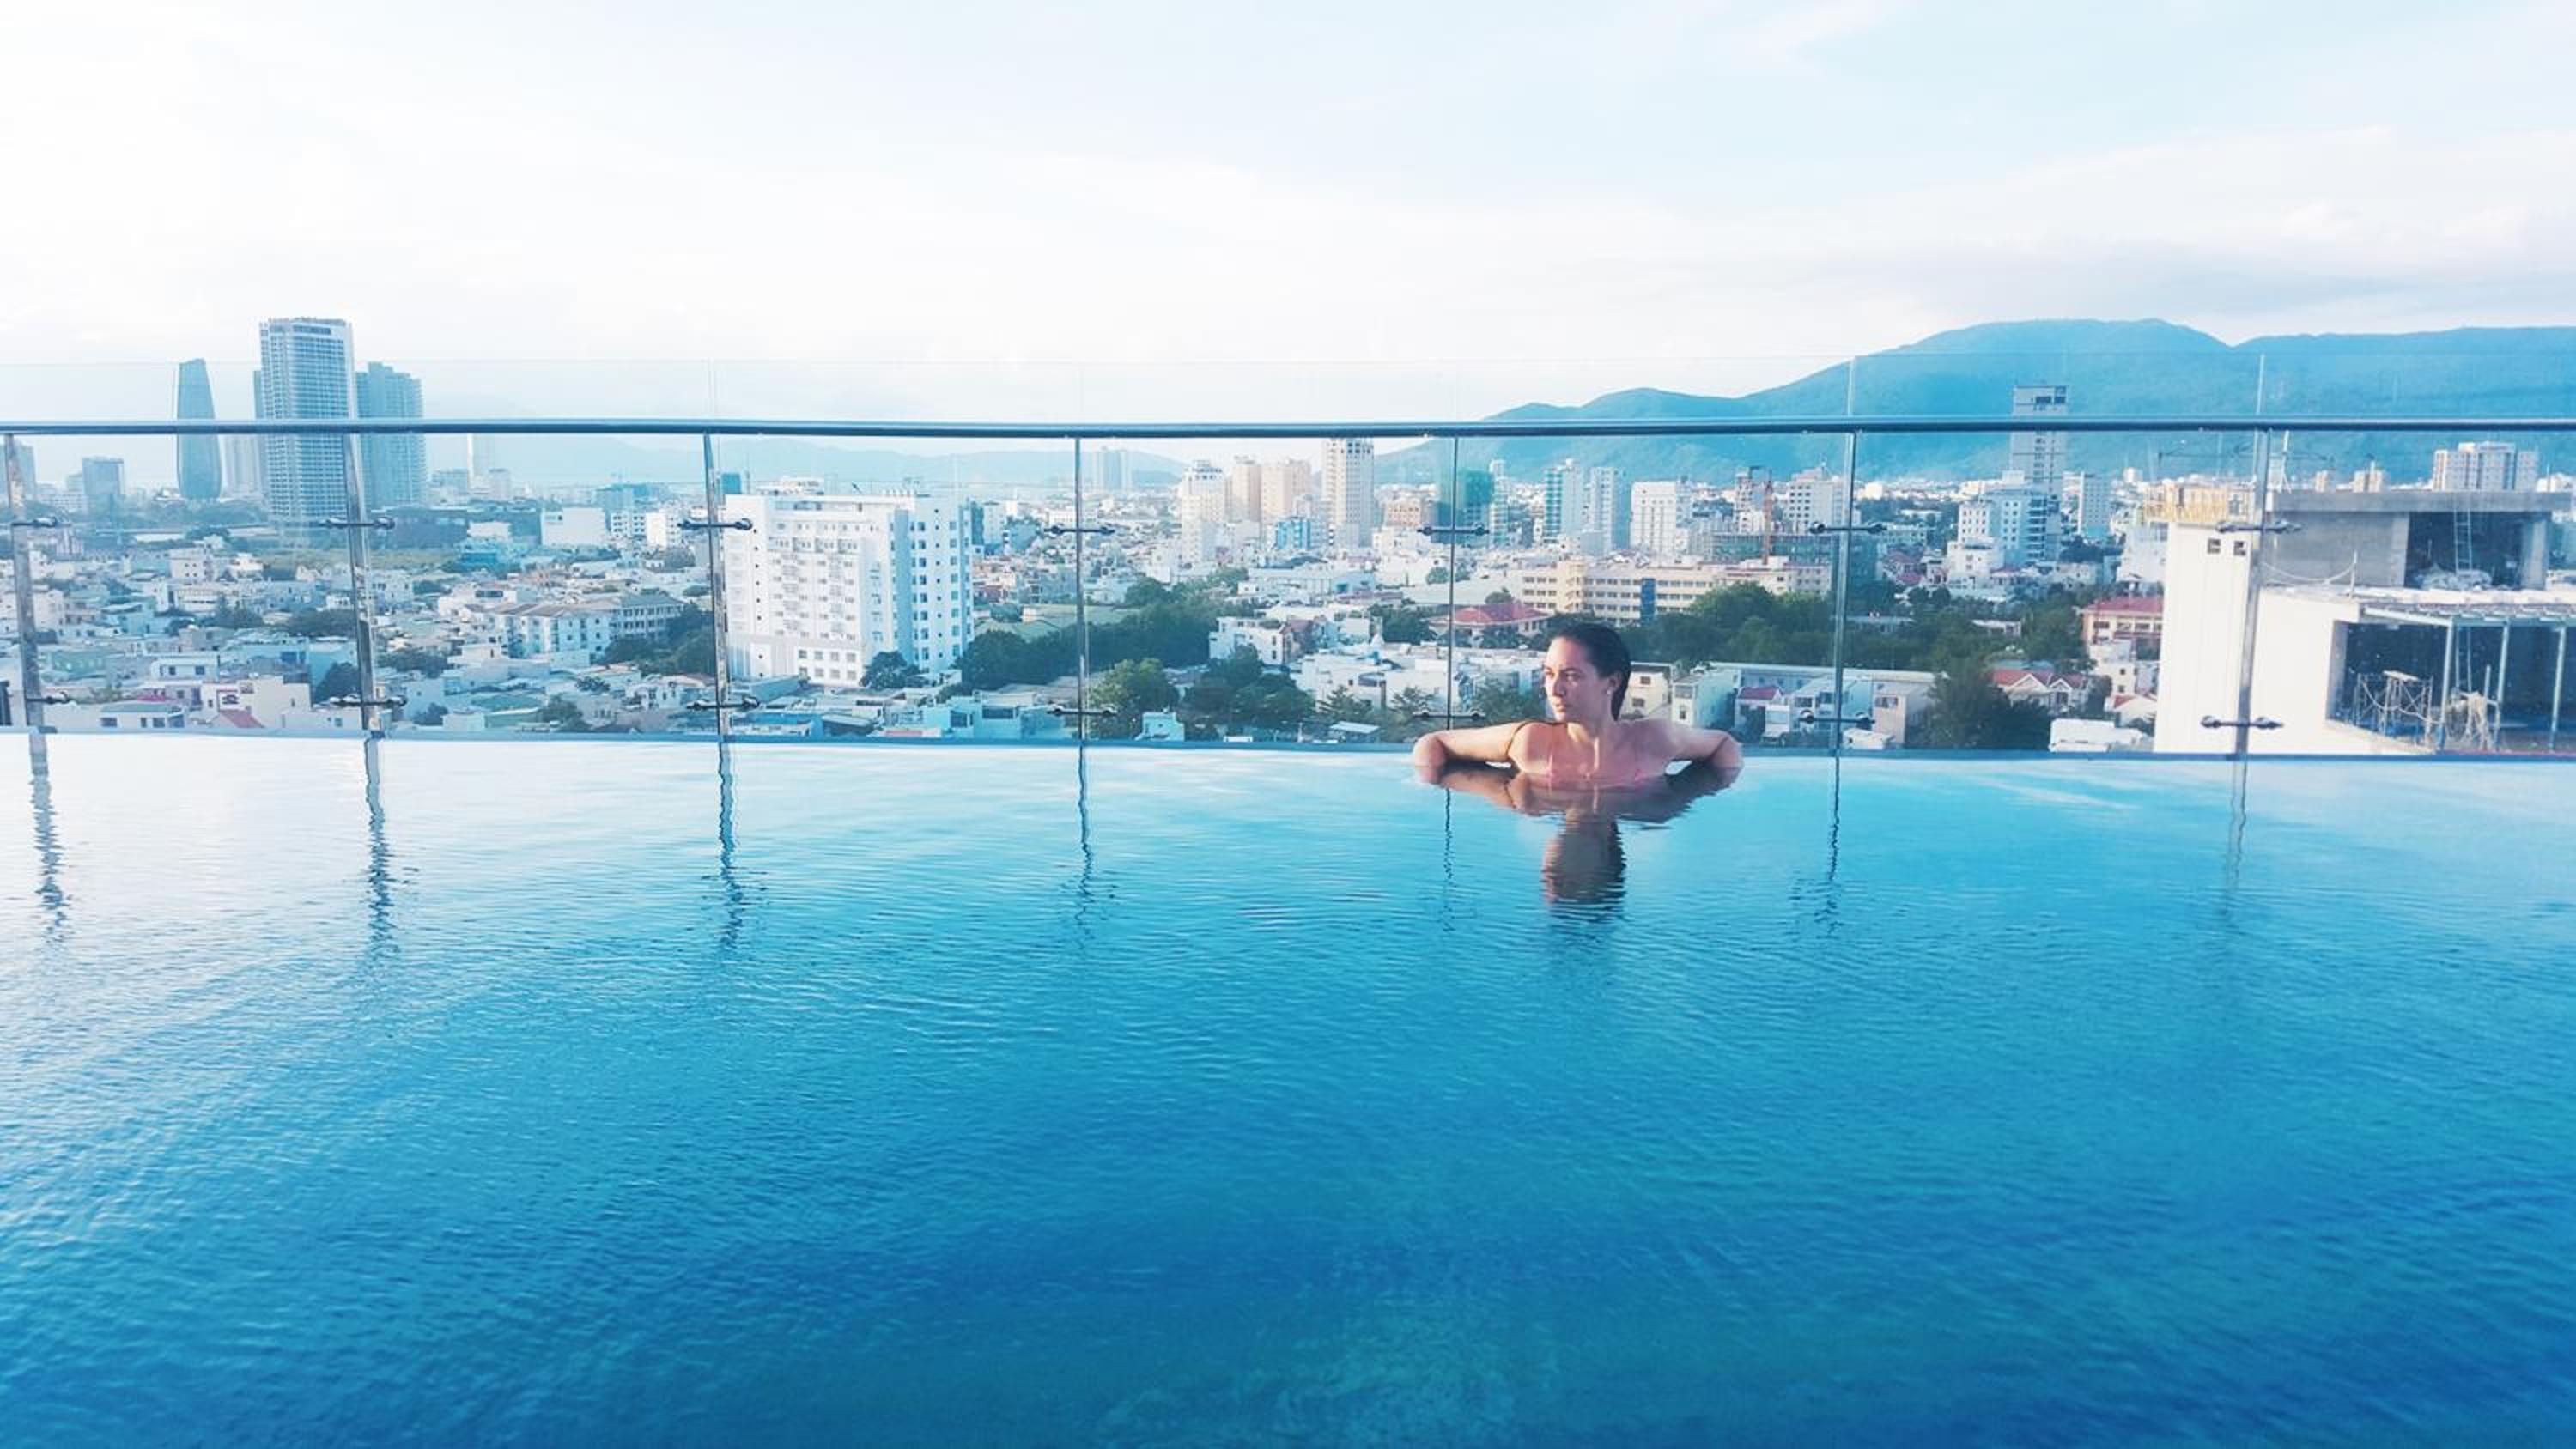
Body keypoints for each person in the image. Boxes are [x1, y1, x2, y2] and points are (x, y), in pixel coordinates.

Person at [1411, 621, 1742, 785]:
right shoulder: (1530, 743)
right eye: (1549, 674)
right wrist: (1430, 792)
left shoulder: (1654, 740)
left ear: (1611, 682)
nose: (1554, 689)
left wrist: (1694, 793)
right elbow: (1431, 743)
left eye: (1571, 676)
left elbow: (1725, 745)